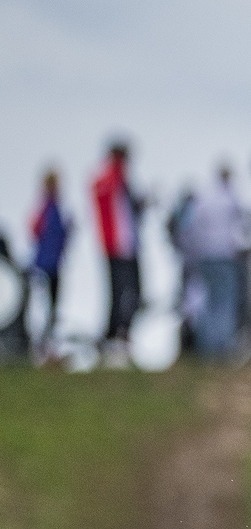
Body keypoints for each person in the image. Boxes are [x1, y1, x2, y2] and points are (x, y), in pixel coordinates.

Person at [181, 164, 251, 357]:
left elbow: (191, 228)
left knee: (208, 300)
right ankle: (221, 347)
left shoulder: (203, 198)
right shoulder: (230, 198)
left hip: (204, 257)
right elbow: (243, 226)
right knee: (225, 302)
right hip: (224, 256)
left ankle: (205, 347)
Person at [91, 139, 146, 365]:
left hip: (126, 246)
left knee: (131, 293)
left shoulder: (119, 179)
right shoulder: (110, 177)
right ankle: (115, 336)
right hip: (117, 247)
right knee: (121, 293)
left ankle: (120, 334)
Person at [28, 169, 69, 355]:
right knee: (45, 307)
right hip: (46, 266)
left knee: (51, 307)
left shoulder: (53, 208)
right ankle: (44, 344)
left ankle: (48, 342)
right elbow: (36, 231)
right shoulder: (47, 209)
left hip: (53, 265)